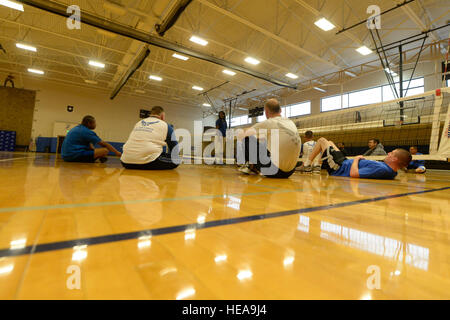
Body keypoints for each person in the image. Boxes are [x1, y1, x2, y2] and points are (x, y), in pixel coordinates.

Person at [237, 98, 301, 178]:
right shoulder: (290, 122)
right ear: (280, 110)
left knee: (246, 139)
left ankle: (249, 165)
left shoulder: (270, 122)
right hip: (290, 172)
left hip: (274, 171)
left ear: (266, 112)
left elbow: (243, 133)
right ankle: (252, 165)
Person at [303, 137, 411, 180]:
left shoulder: (382, 169)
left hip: (339, 167)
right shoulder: (390, 171)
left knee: (322, 140)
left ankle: (307, 165)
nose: (388, 153)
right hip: (344, 162)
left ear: (395, 160)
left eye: (391, 154)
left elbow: (354, 174)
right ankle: (316, 164)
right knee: (330, 142)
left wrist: (356, 159)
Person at [121, 106, 179, 170]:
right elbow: (174, 146)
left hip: (126, 162)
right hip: (149, 162)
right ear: (162, 116)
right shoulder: (165, 125)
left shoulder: (139, 123)